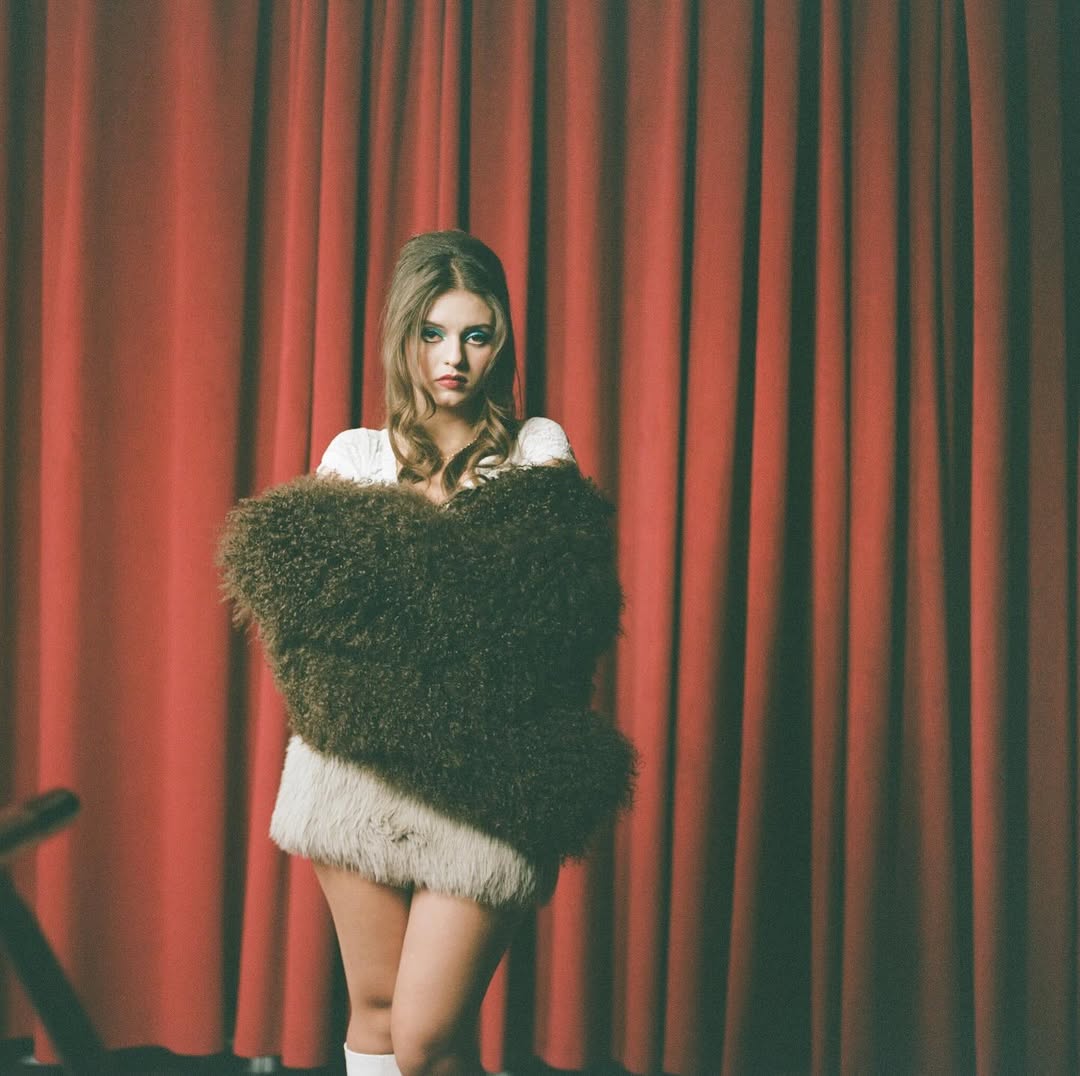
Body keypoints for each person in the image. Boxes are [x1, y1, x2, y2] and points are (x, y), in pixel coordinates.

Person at [219, 230, 634, 1076]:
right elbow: (310, 637)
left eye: (476, 336)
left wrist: (397, 612)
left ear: (500, 343)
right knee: (375, 1017)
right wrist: (453, 604)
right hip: (354, 766)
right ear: (402, 336)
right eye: (432, 334)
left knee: (426, 1035)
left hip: (495, 775)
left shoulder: (537, 448)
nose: (454, 358)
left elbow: (544, 626)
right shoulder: (355, 455)